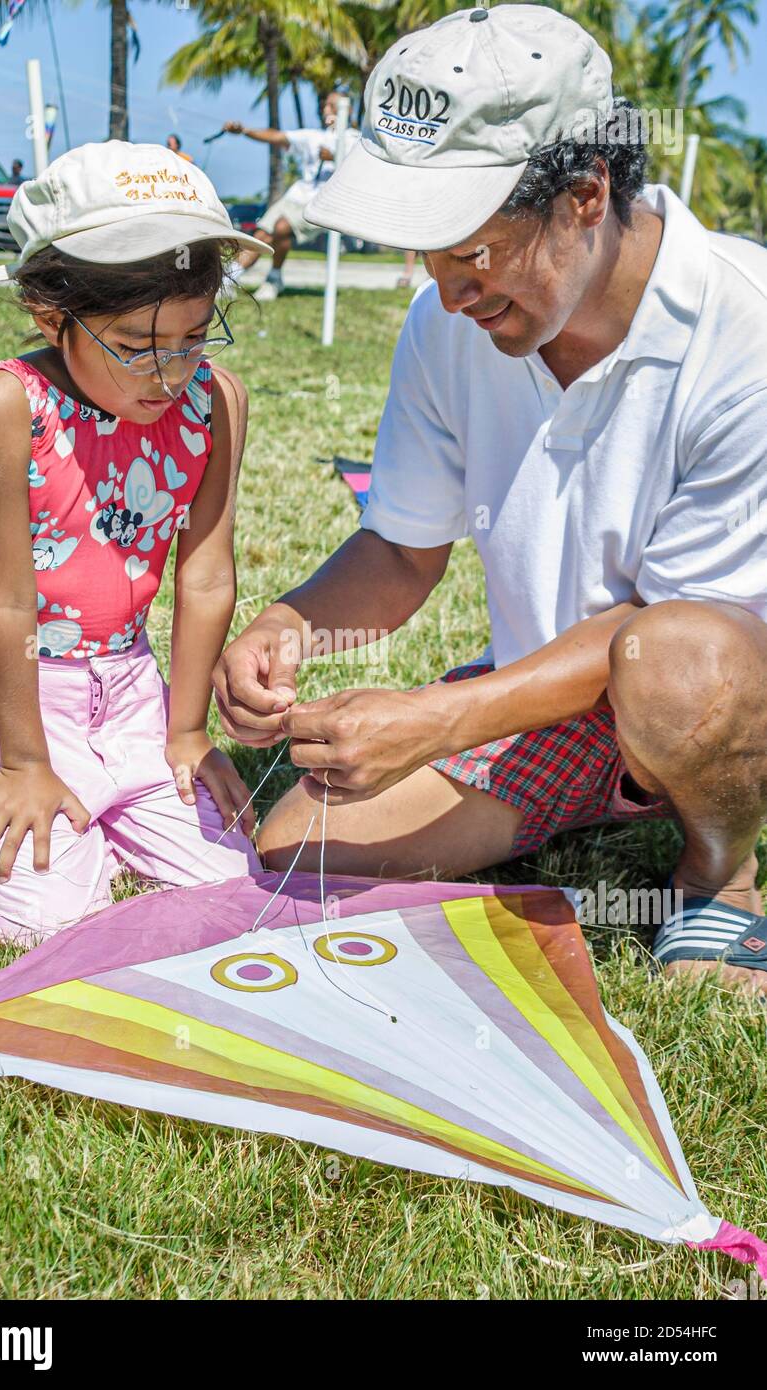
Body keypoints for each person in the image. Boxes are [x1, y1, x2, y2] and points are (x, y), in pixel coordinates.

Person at [213, 6, 767, 994]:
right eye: (424, 253)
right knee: (303, 839)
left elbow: (667, 629)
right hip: (559, 693)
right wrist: (293, 619)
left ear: (585, 194)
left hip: (719, 679)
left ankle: (717, 870)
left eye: (469, 250)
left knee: (675, 669)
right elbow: (400, 549)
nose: (443, 288)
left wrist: (438, 720)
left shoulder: (742, 328)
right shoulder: (445, 321)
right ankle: (609, 788)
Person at [0, 141, 273, 946]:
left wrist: (186, 731)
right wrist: (26, 763)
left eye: (194, 337)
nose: (170, 373)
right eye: (136, 347)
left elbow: (205, 576)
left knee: (231, 886)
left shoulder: (216, 402)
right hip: (24, 698)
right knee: (48, 924)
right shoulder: (10, 406)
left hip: (133, 695)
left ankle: (96, 820)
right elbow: (5, 597)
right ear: (50, 315)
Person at [220, 92, 359, 301]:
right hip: (295, 196)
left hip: (323, 202)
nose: (326, 109)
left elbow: (358, 171)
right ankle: (228, 280)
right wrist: (244, 131)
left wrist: (335, 157)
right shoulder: (313, 136)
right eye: (325, 104)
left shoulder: (355, 140)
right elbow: (277, 137)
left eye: (332, 105)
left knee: (282, 227)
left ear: (346, 110)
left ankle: (273, 278)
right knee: (262, 236)